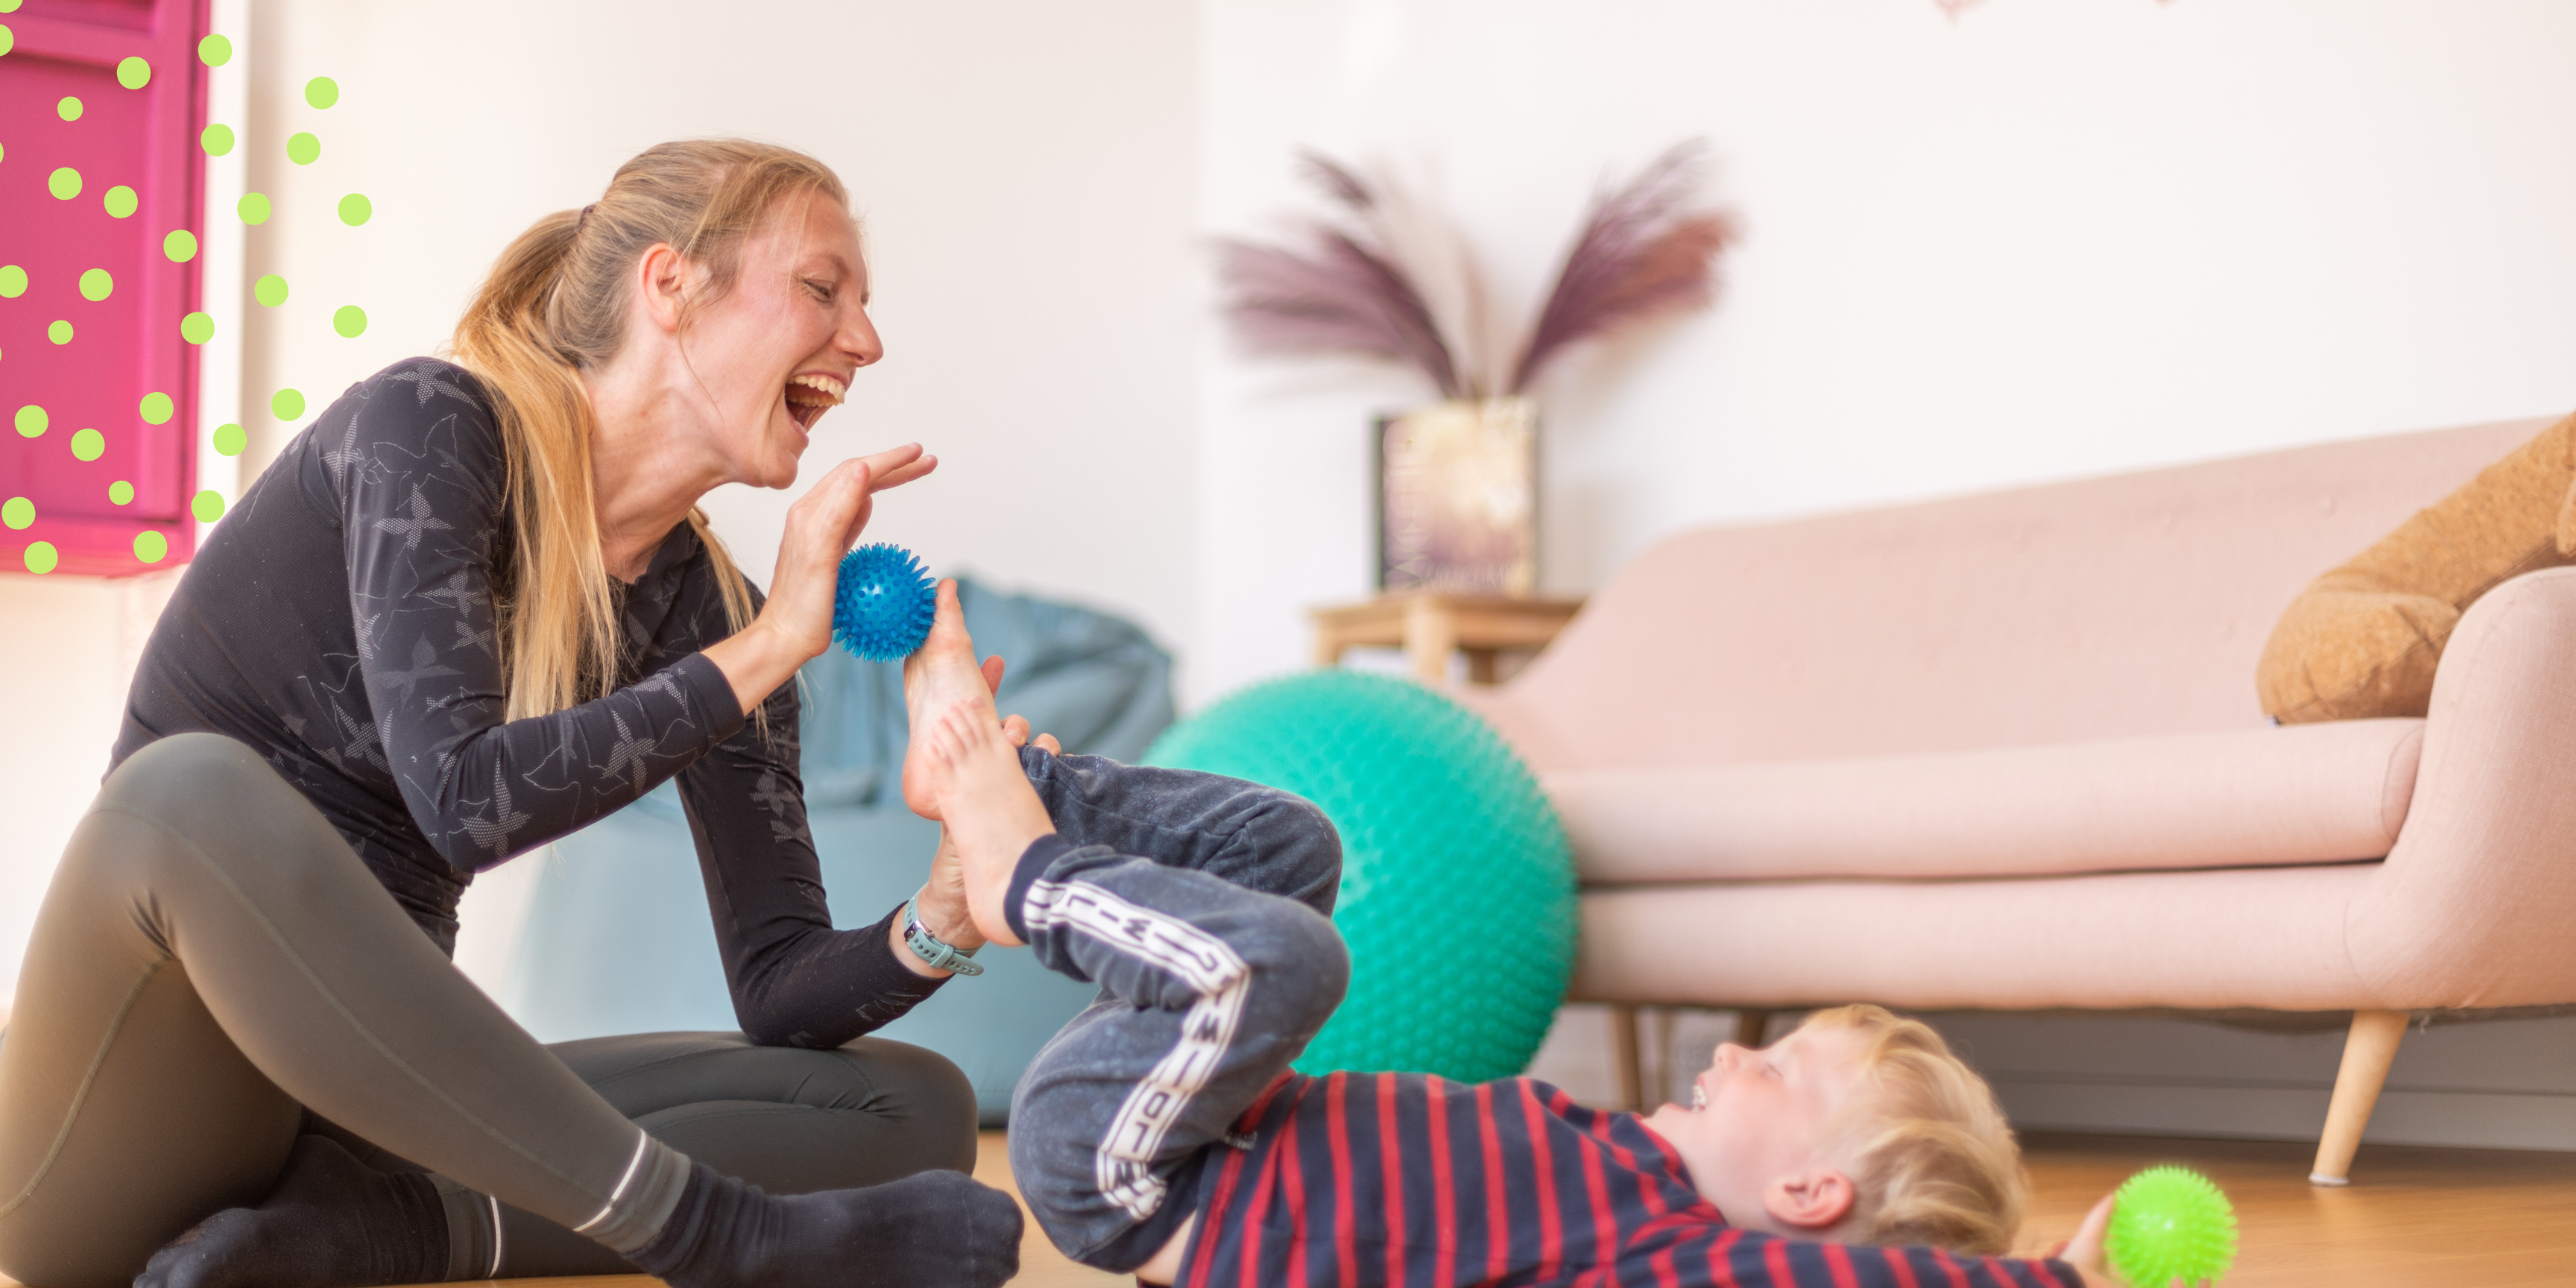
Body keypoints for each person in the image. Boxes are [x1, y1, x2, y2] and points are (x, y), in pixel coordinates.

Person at [0, 140, 1032, 1288]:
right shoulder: (430, 430)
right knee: (188, 792)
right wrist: (770, 645)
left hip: (360, 1115)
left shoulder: (715, 613)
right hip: (119, 1154)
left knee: (912, 1114)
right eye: (822, 289)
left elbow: (784, 988)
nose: (865, 342)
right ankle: (715, 1235)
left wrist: (950, 901)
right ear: (671, 286)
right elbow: (463, 801)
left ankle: (352, 1234)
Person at [897, 582, 2135, 1288]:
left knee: (1296, 962)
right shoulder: (1630, 1173)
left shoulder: (1669, 1255)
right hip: (1190, 1108)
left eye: (1787, 1071)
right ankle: (1030, 794)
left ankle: (1025, 874)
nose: (1741, 1055)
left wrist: (2058, 1280)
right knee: (1301, 856)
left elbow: (1858, 1285)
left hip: (1136, 1176)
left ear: (1810, 1194)